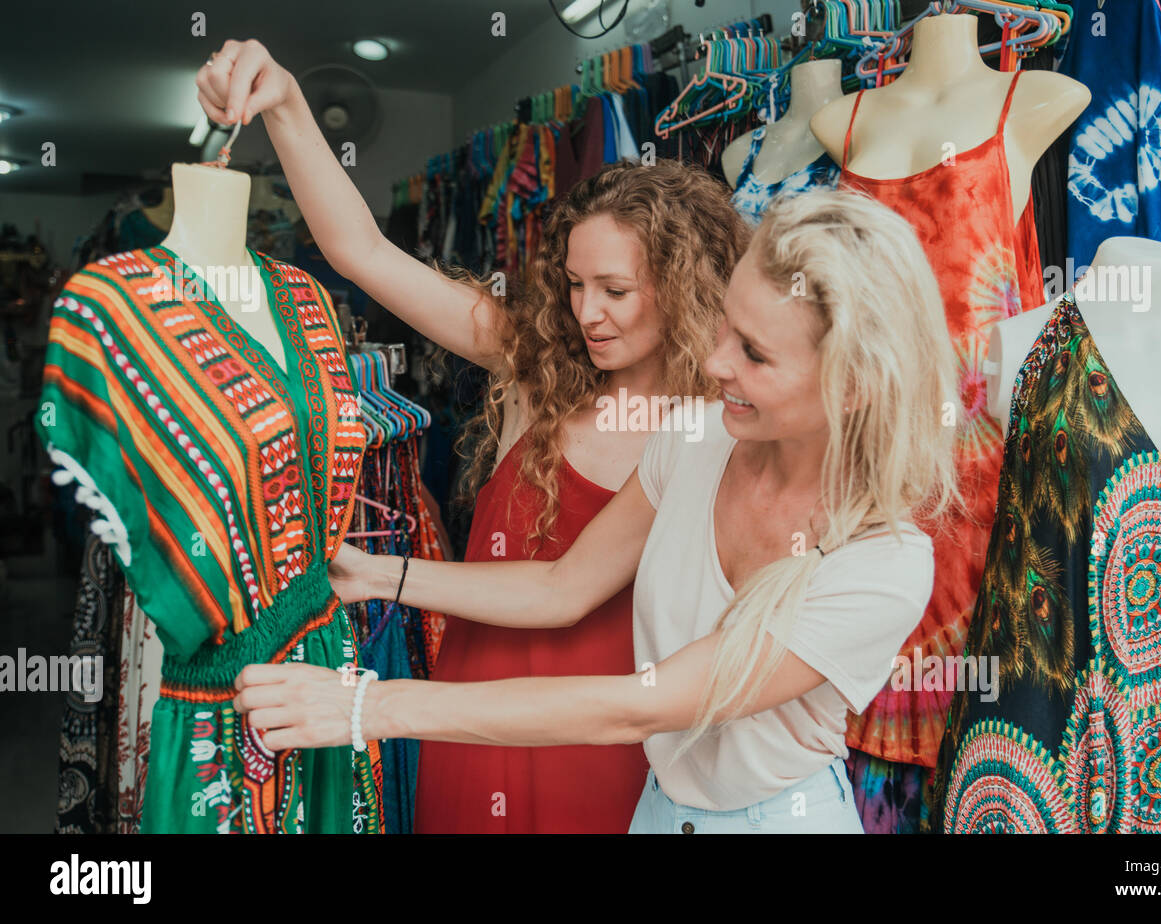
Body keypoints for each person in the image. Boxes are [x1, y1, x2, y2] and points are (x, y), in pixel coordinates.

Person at [233, 188, 962, 834]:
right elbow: (561, 587)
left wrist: (368, 709)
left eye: (755, 353)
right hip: (658, 812)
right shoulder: (698, 437)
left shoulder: (882, 564)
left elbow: (640, 705)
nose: (715, 366)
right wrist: (373, 574)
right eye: (724, 331)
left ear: (854, 386)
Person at [196, 39, 750, 833]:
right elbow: (361, 251)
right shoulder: (539, 368)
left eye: (616, 290)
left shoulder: (709, 429)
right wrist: (284, 101)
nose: (587, 313)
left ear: (685, 288)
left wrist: (381, 576)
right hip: (465, 707)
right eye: (575, 285)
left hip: (592, 733)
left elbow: (560, 595)